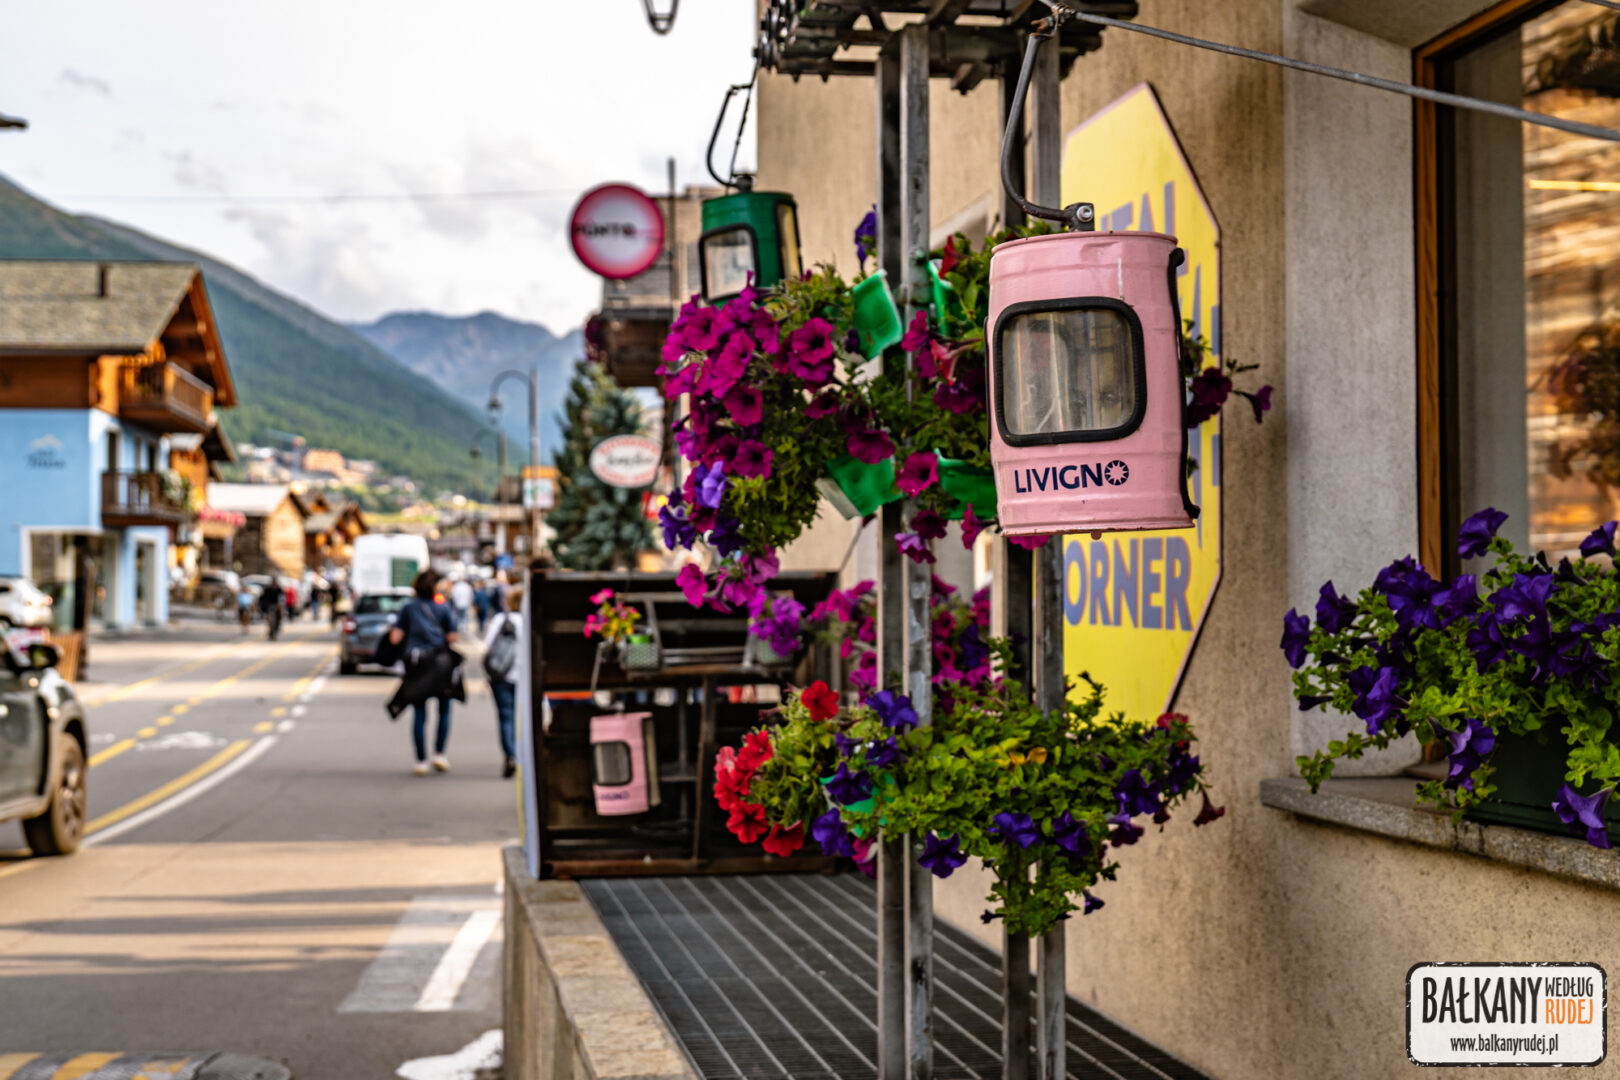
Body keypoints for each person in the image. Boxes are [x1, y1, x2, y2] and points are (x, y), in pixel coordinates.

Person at [389, 569, 459, 775]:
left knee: (419, 712)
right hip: (440, 664)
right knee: (444, 710)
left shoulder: (409, 608)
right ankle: (439, 753)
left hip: (417, 664)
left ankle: (420, 760)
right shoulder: (443, 607)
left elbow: (395, 638)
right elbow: (453, 637)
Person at [483, 586, 523, 778]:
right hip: (524, 677)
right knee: (525, 718)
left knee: (506, 716)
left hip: (502, 675)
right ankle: (525, 755)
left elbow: (488, 647)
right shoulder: (530, 621)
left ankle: (510, 755)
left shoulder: (501, 620)